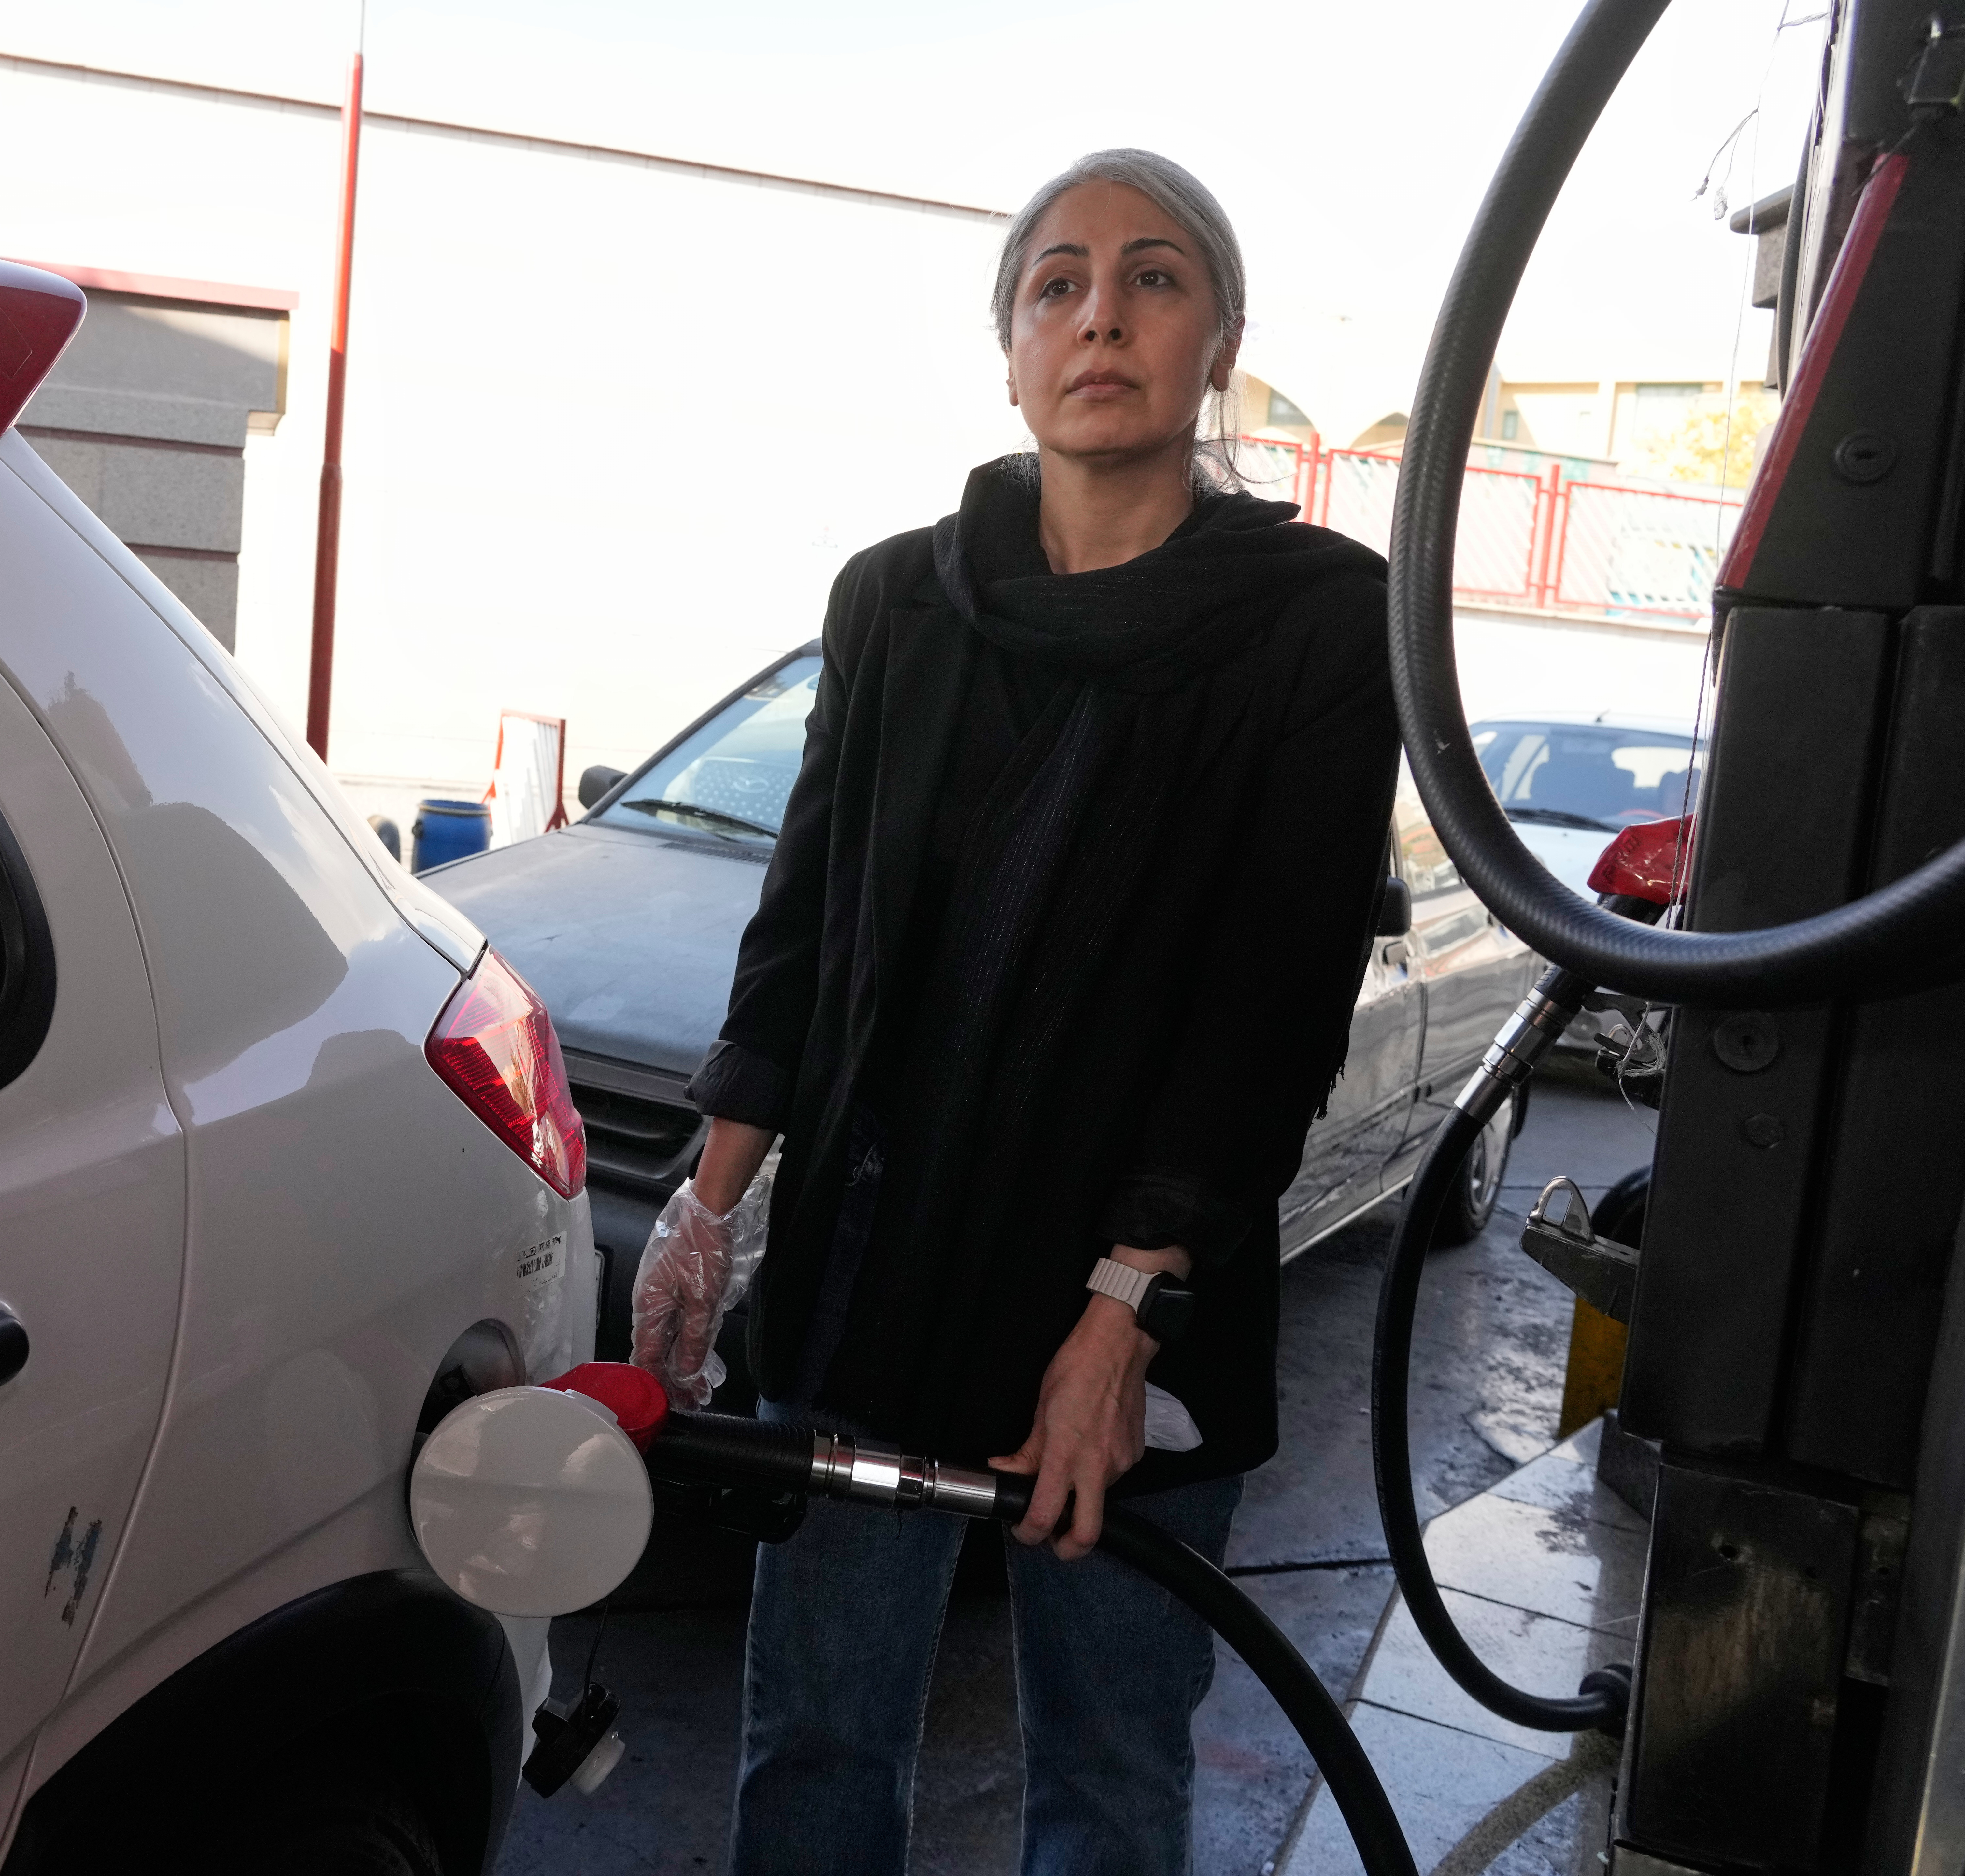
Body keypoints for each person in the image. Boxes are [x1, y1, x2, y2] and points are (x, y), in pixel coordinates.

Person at [628, 149, 1401, 1875]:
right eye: (1058, 284)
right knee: (816, 1744)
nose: (1100, 316)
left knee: (1110, 1770)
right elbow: (803, 929)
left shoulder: (1316, 626)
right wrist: (711, 1208)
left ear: (1222, 344)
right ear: (1010, 353)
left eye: (1153, 278)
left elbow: (1271, 1004)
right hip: (875, 1276)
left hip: (1141, 1294)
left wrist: (1125, 1314)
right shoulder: (895, 602)